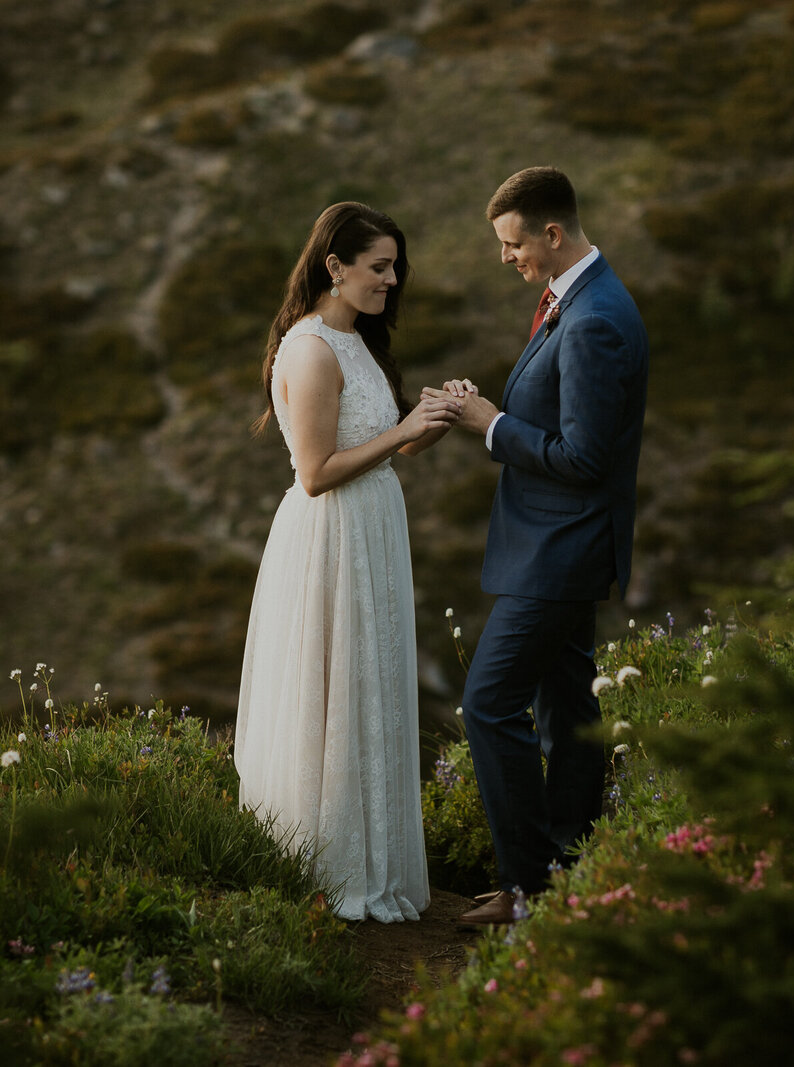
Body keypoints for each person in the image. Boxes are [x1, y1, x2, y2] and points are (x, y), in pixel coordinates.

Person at [427, 166, 649, 928]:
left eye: (512, 243)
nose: (505, 257)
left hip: (560, 551)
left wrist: (489, 425)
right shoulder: (579, 298)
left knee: (488, 704)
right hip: (558, 548)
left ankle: (527, 886)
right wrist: (485, 408)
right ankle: (574, 865)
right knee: (567, 708)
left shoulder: (593, 320)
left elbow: (584, 458)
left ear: (552, 234)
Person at [234, 202, 459, 923]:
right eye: (379, 267)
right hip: (331, 535)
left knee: (369, 683)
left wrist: (430, 421)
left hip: (371, 530)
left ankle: (371, 859)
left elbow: (381, 444)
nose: (391, 282)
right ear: (335, 266)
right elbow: (316, 472)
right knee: (332, 689)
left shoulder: (355, 341)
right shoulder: (309, 349)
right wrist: (402, 433)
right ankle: (325, 865)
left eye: (395, 269)